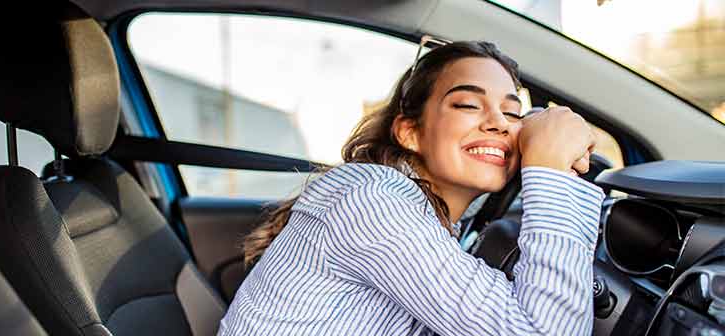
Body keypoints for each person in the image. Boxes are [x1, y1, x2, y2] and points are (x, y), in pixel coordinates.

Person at [218, 40, 604, 336]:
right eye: (469, 105)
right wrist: (549, 170)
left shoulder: (429, 212)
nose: (499, 123)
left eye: (512, 112)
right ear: (411, 133)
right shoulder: (373, 200)